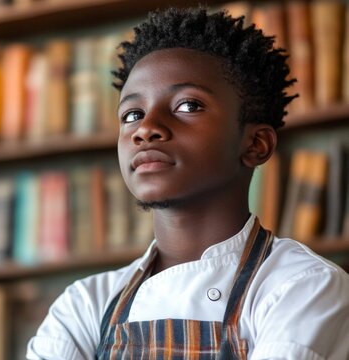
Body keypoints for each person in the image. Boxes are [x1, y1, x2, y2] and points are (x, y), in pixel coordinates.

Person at [26, 7, 349, 360]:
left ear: (256, 145)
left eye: (188, 105)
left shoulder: (302, 286)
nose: (146, 128)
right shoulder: (84, 306)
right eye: (132, 114)